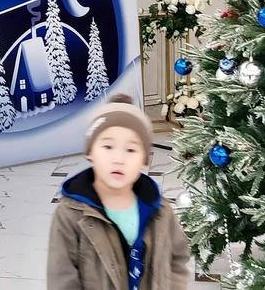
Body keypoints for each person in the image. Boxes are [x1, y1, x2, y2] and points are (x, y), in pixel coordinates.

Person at [47, 93, 190, 289]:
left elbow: (177, 259)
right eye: (108, 146)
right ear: (90, 152)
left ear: (144, 160)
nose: (119, 159)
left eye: (131, 150)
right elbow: (61, 278)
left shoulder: (160, 211)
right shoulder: (71, 215)